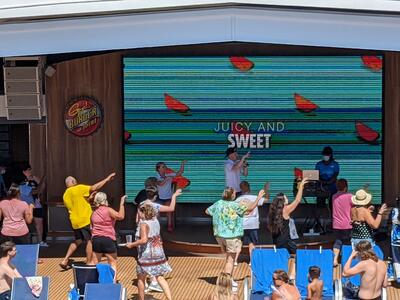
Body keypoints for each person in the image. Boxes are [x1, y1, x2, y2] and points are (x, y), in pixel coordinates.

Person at [206, 187, 265, 291]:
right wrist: (259, 197)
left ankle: (229, 278)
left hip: (219, 235)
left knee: (230, 256)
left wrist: (220, 215)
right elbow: (250, 209)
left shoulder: (218, 203)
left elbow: (207, 211)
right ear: (233, 195)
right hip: (231, 236)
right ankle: (226, 283)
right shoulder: (235, 206)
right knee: (230, 260)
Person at [59, 172, 115, 269]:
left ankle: (65, 259)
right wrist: (106, 179)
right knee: (90, 240)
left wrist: (89, 199)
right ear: (73, 182)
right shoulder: (78, 188)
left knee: (78, 240)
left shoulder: (65, 194)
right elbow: (94, 187)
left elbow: (77, 204)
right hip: (85, 219)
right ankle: (89, 262)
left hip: (74, 221)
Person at [137, 187, 182, 293]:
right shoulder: (155, 205)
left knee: (142, 259)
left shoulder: (141, 205)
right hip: (153, 234)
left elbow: (137, 219)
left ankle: (146, 283)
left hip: (141, 231)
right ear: (156, 196)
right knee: (154, 259)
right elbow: (171, 208)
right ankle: (154, 282)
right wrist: (174, 196)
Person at [126, 203, 172, 300]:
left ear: (143, 213)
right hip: (158, 252)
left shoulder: (144, 224)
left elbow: (144, 240)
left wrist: (132, 244)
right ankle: (170, 298)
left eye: (139, 212)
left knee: (141, 278)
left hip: (146, 254)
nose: (138, 214)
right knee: (160, 277)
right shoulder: (155, 221)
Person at [90, 192, 126, 282]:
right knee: (112, 262)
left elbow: (91, 228)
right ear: (105, 200)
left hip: (96, 239)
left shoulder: (93, 213)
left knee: (95, 263)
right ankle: (113, 283)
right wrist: (122, 204)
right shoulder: (108, 210)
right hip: (108, 239)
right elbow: (121, 216)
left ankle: (95, 282)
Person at [268, 178, 308, 255]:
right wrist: (301, 186)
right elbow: (297, 200)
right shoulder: (285, 210)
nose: (287, 199)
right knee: (294, 258)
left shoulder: (273, 211)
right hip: (287, 242)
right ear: (283, 201)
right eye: (286, 198)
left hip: (277, 240)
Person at [234, 181, 269, 266]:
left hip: (241, 224)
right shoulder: (254, 197)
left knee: (239, 243)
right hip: (252, 224)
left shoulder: (238, 199)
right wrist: (266, 190)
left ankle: (234, 261)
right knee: (251, 243)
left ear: (241, 188)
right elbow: (266, 200)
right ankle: (251, 261)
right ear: (249, 187)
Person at [21, 163, 47, 247]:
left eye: (30, 169)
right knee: (26, 223)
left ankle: (40, 241)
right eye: (28, 170)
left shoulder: (33, 180)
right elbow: (35, 191)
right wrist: (42, 179)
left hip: (37, 205)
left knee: (39, 222)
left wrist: (37, 180)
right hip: (26, 206)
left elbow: (42, 188)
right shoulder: (22, 183)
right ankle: (25, 242)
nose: (30, 171)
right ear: (24, 172)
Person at [155, 161, 186, 232]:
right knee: (157, 212)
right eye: (163, 166)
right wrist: (167, 178)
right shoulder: (156, 176)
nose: (165, 167)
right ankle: (157, 227)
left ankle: (169, 225)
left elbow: (180, 173)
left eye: (165, 166)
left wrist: (182, 164)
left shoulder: (168, 174)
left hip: (168, 197)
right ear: (158, 169)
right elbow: (160, 184)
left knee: (169, 211)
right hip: (159, 197)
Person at [331, 179, 353, 266]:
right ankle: (346, 260)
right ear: (346, 187)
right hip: (348, 224)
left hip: (336, 224)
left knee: (337, 241)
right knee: (347, 242)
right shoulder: (350, 196)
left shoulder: (334, 196)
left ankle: (335, 259)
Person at [390, 197, 400, 282]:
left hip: (395, 240)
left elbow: (390, 222)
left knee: (396, 259)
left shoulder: (394, 211)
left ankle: (398, 278)